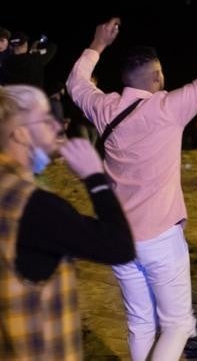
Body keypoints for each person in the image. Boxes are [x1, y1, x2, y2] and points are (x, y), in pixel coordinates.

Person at [67, 0, 197, 361]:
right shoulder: (167, 108)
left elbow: (76, 83)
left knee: (140, 323)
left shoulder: (103, 108)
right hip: (159, 237)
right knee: (178, 325)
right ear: (156, 77)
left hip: (118, 234)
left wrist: (97, 44)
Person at [0, 85, 135, 359]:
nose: (57, 124)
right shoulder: (35, 206)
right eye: (45, 119)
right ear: (21, 133)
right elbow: (119, 246)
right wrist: (95, 177)